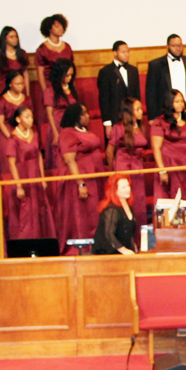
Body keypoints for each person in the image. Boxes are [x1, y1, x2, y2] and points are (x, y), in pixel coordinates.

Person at [55, 104, 105, 254]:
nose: (88, 116)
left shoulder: (85, 131)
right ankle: (82, 247)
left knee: (96, 212)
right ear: (76, 116)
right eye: (84, 114)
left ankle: (97, 243)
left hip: (95, 178)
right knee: (83, 215)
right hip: (80, 179)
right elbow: (70, 161)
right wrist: (80, 183)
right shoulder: (67, 134)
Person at [2, 107, 55, 239]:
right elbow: (11, 163)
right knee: (25, 213)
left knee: (39, 210)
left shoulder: (35, 134)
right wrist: (19, 186)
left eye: (31, 117)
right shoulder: (12, 139)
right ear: (18, 119)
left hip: (35, 175)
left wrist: (42, 179)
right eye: (27, 117)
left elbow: (38, 157)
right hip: (23, 176)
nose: (30, 120)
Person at [150, 90, 186, 201]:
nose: (180, 104)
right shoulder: (160, 121)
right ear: (169, 103)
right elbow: (156, 148)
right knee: (169, 198)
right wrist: (162, 170)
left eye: (182, 101)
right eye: (177, 101)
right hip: (169, 165)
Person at [107, 99, 149, 226]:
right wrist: (114, 172)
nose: (141, 111)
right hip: (123, 167)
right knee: (126, 201)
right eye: (137, 109)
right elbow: (109, 152)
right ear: (129, 112)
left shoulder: (141, 126)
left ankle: (139, 237)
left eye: (141, 108)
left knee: (139, 203)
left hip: (137, 168)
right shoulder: (118, 128)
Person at [145, 34, 186, 119]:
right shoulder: (156, 65)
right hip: (165, 113)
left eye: (180, 45)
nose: (178, 48)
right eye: (174, 45)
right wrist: (152, 117)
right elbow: (151, 93)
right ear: (167, 46)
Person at [97, 41, 141, 138]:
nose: (127, 54)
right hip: (115, 118)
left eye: (128, 52)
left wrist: (137, 118)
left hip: (131, 117)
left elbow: (137, 95)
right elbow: (104, 99)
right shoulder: (106, 72)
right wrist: (107, 123)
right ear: (115, 53)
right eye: (123, 52)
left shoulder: (133, 70)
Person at [0, 70, 31, 173]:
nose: (21, 86)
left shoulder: (27, 100)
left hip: (24, 134)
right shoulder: (1, 100)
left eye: (22, 83)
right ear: (10, 84)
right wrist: (12, 139)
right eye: (17, 84)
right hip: (7, 135)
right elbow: (0, 123)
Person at [43, 58, 79, 159]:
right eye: (67, 75)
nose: (69, 78)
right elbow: (50, 114)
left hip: (71, 126)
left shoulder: (72, 88)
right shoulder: (50, 91)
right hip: (57, 125)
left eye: (71, 75)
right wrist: (55, 133)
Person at [93, 175, 138, 255]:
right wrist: (124, 250)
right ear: (114, 190)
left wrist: (133, 248)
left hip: (124, 250)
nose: (128, 189)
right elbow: (109, 234)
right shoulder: (111, 210)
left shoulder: (129, 206)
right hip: (109, 252)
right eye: (123, 187)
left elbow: (129, 232)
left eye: (128, 186)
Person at [34, 14, 73, 97]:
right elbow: (40, 73)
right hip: (50, 87)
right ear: (49, 28)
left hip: (66, 86)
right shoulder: (42, 49)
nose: (60, 28)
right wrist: (45, 91)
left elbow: (72, 67)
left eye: (62, 26)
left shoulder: (67, 47)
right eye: (57, 26)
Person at [0, 26, 29, 99]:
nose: (15, 39)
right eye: (11, 37)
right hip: (4, 89)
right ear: (5, 39)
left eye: (16, 36)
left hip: (20, 87)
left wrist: (27, 92)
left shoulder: (22, 53)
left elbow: (25, 74)